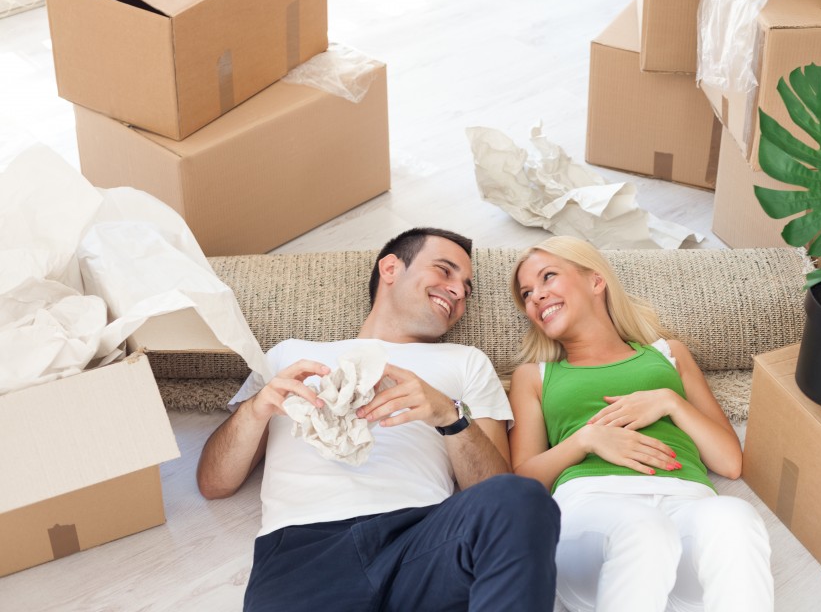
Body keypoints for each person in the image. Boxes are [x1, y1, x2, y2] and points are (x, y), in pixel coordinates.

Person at [197, 227, 560, 612]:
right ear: (390, 268)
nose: (457, 291)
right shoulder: (289, 355)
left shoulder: (465, 361)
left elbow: (492, 490)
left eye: (466, 289)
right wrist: (257, 408)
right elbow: (214, 483)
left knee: (522, 498)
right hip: (304, 556)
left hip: (421, 543)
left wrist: (449, 417)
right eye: (444, 271)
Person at [508, 236, 773, 612]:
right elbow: (521, 483)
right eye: (527, 294)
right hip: (591, 512)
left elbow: (730, 462)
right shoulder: (534, 376)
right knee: (645, 529)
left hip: (686, 503)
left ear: (595, 281)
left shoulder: (669, 354)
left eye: (548, 277)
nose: (536, 296)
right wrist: (586, 439)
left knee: (735, 517)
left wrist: (670, 403)